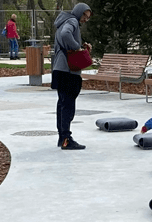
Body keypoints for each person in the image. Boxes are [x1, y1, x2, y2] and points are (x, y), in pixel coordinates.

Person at [51, 3, 92, 150]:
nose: (85, 19)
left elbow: (63, 36)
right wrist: (77, 47)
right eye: (84, 15)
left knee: (62, 104)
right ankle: (66, 139)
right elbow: (65, 34)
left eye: (88, 17)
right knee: (68, 105)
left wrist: (80, 46)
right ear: (78, 12)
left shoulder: (63, 20)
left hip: (59, 68)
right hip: (68, 70)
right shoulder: (72, 21)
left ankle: (62, 138)